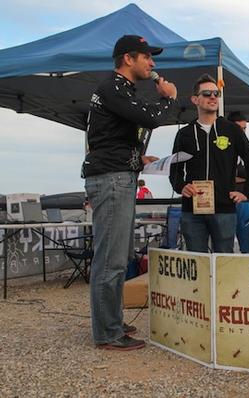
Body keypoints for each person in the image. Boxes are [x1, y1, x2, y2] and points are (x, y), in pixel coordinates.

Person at [82, 35, 178, 350]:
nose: (152, 63)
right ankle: (107, 333)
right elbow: (150, 117)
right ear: (128, 58)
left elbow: (114, 136)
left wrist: (140, 158)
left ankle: (112, 323)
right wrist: (167, 98)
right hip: (111, 180)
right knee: (110, 261)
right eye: (147, 57)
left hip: (118, 176)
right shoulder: (113, 87)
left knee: (120, 258)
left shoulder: (121, 90)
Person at [169, 74, 249, 253]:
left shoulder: (232, 130)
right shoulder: (185, 134)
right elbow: (175, 170)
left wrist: (247, 191)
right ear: (195, 99)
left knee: (223, 262)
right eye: (206, 94)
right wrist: (181, 187)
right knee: (198, 262)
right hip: (192, 209)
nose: (213, 97)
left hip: (224, 209)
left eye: (216, 93)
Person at [227, 111, 249, 253]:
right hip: (226, 200)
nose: (242, 132)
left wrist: (238, 177)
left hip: (247, 200)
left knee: (247, 246)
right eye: (238, 128)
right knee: (224, 246)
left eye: (244, 128)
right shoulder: (223, 149)